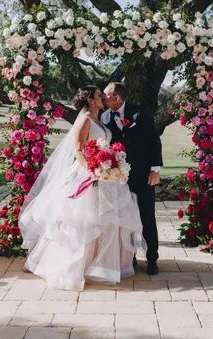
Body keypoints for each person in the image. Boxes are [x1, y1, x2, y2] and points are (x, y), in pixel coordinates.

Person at [20, 86, 143, 290]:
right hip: (88, 174)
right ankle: (74, 266)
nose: (102, 97)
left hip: (105, 175)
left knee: (107, 220)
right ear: (90, 100)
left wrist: (113, 163)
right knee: (82, 221)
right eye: (98, 95)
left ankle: (99, 265)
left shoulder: (100, 119)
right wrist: (93, 170)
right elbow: (78, 149)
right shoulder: (85, 119)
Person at [102, 82, 163, 275]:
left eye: (106, 95)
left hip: (142, 175)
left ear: (116, 97)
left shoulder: (140, 113)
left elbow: (154, 140)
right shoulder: (103, 117)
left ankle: (152, 259)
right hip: (117, 178)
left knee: (147, 217)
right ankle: (130, 257)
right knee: (122, 219)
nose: (103, 99)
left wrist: (155, 169)